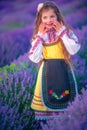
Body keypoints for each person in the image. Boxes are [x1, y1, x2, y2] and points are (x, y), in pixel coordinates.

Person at [28, 1, 81, 121]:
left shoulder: (66, 32)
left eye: (52, 16)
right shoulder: (39, 37)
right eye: (45, 17)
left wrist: (62, 33)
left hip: (64, 71)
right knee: (46, 99)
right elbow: (34, 57)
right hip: (47, 73)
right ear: (40, 20)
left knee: (67, 102)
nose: (49, 20)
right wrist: (40, 36)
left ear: (57, 16)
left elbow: (74, 49)